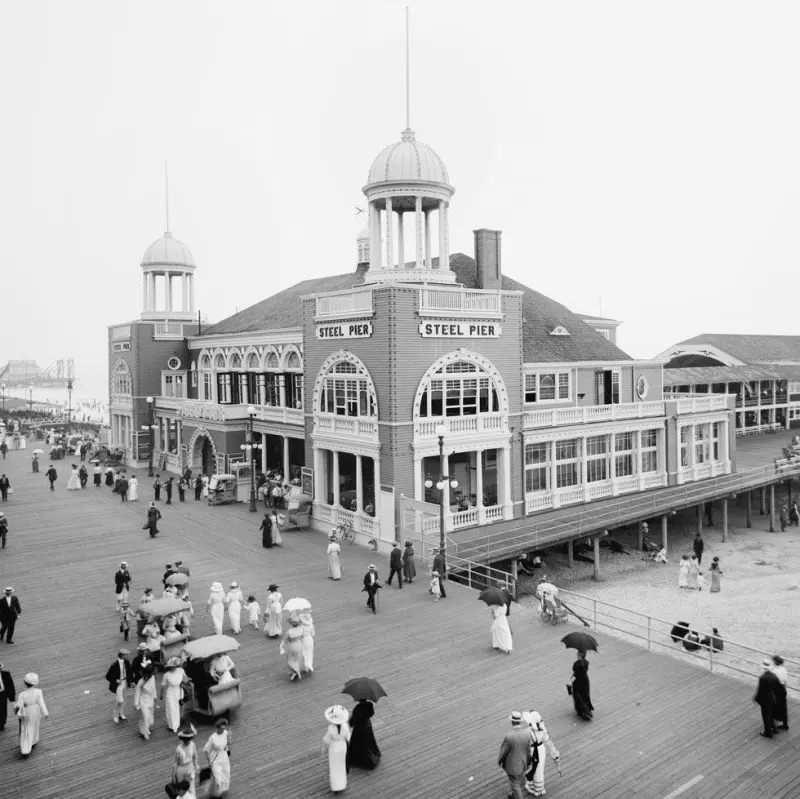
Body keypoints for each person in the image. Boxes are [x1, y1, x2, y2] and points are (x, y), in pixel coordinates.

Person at [523, 710, 559, 797]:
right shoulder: (542, 729)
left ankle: (535, 788)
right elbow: (548, 741)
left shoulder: (528, 732)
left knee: (533, 768)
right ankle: (539, 788)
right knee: (539, 768)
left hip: (532, 751)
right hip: (541, 750)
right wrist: (554, 753)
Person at [497, 711, 532, 799]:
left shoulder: (509, 736)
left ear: (512, 722)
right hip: (523, 763)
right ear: (520, 722)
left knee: (515, 784)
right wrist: (528, 763)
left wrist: (499, 761)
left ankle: (516, 795)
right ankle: (513, 794)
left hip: (512, 766)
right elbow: (528, 751)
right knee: (517, 780)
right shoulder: (527, 734)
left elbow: (503, 751)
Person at [14, 673, 49, 757]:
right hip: (36, 711)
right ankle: (34, 741)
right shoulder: (38, 691)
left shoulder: (22, 694)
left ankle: (26, 748)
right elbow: (41, 702)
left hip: (27, 712)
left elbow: (19, 705)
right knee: (35, 726)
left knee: (26, 729)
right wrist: (45, 712)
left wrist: (15, 709)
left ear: (25, 683)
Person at [322, 705, 351, 794]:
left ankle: (335, 786)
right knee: (341, 765)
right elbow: (348, 738)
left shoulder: (331, 728)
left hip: (334, 747)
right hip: (342, 746)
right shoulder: (345, 726)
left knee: (334, 767)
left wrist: (323, 748)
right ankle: (342, 784)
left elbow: (327, 739)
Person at [347, 699, 381, 771]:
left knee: (358, 745)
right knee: (368, 742)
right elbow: (372, 713)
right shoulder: (369, 704)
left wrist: (350, 718)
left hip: (359, 729)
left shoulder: (358, 708)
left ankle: (360, 761)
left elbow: (352, 723)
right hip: (367, 726)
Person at [202, 718, 231, 798]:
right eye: (221, 728)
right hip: (215, 759)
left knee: (225, 776)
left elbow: (227, 745)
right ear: (217, 728)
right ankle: (217, 795)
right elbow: (206, 750)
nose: (222, 730)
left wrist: (229, 744)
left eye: (224, 728)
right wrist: (209, 761)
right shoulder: (213, 738)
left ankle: (217, 792)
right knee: (218, 779)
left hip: (224, 758)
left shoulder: (226, 733)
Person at [105, 648, 134, 724]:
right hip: (118, 684)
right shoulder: (114, 665)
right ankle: (115, 714)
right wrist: (115, 680)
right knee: (120, 700)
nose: (127, 656)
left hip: (125, 682)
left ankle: (121, 712)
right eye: (126, 655)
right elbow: (108, 676)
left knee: (125, 699)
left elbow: (130, 672)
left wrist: (132, 681)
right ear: (122, 655)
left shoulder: (127, 662)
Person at [160, 657, 188, 733]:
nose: (172, 668)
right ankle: (172, 726)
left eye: (173, 666)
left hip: (179, 691)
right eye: (171, 667)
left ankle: (178, 722)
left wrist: (183, 683)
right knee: (171, 709)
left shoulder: (181, 671)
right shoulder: (166, 675)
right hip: (171, 693)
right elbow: (163, 685)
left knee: (179, 708)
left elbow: (186, 679)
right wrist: (161, 695)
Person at [754, 658, 781, 737]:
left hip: (765, 699)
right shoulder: (774, 676)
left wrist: (756, 699)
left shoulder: (762, 678)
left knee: (765, 716)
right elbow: (778, 687)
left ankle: (768, 732)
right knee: (772, 714)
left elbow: (760, 690)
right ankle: (774, 728)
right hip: (773, 698)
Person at [172, 724, 199, 794]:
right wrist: (173, 776)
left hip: (190, 768)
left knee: (191, 787)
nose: (187, 741)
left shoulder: (192, 744)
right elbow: (175, 763)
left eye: (189, 740)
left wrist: (196, 765)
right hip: (180, 770)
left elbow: (195, 755)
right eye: (186, 740)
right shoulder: (178, 749)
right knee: (182, 789)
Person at [134, 663, 158, 740]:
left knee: (149, 718)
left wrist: (155, 696)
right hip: (143, 701)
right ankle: (145, 733)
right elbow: (137, 692)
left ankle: (143, 729)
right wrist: (136, 703)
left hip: (150, 700)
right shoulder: (141, 682)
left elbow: (154, 688)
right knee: (145, 716)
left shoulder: (153, 678)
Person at [571, 650, 594, 720]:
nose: (576, 655)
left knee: (577, 695)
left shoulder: (576, 664)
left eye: (578, 654)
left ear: (580, 655)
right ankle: (587, 710)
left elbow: (576, 673)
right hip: (585, 681)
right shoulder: (586, 663)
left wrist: (571, 680)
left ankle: (581, 711)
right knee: (585, 695)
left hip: (578, 681)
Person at [771, 655, 790, 731]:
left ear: (775, 662)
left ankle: (773, 726)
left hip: (775, 689)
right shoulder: (784, 670)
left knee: (773, 707)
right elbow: (785, 682)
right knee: (783, 707)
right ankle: (785, 725)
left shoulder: (774, 671)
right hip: (782, 689)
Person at [0, 662, 15, 731]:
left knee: (2, 709)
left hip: (2, 694)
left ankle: (1, 723)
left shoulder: (6, 674)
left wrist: (12, 697)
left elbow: (10, 685)